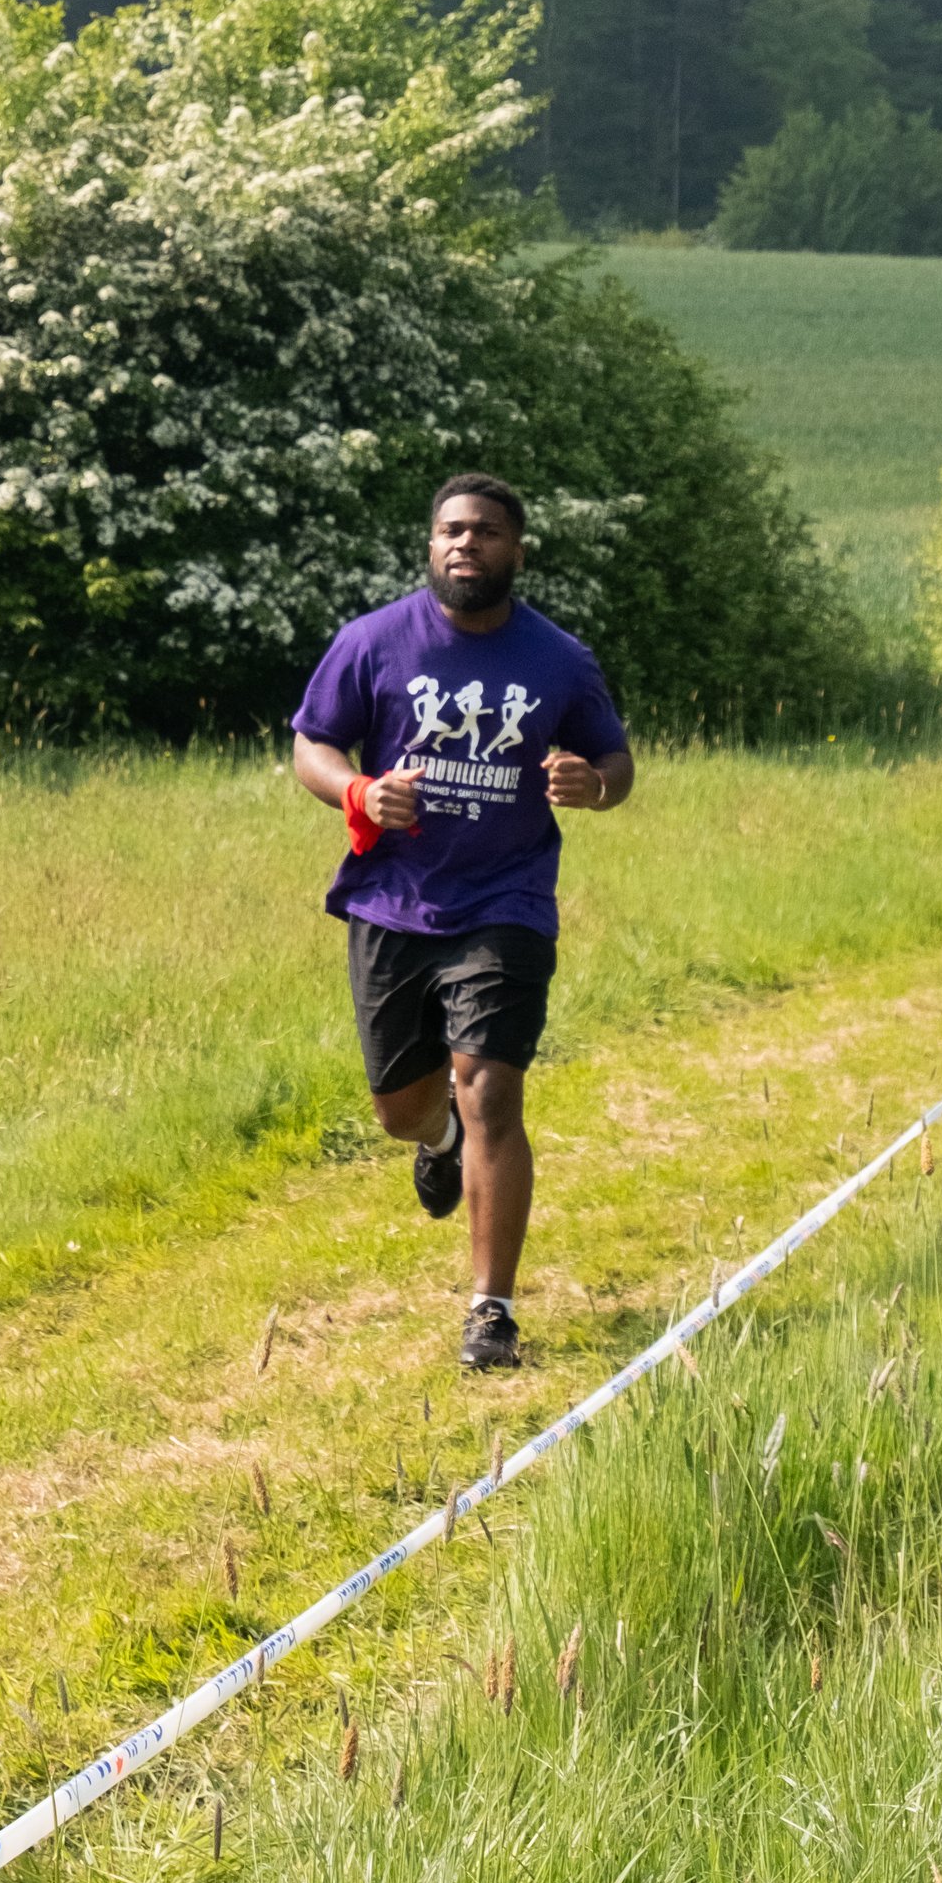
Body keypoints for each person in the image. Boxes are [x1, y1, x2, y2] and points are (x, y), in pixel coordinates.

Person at [290, 474, 633, 1374]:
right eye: (449, 531)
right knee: (401, 1107)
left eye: (483, 532)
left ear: (517, 550)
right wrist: (359, 790)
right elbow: (311, 747)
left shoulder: (559, 660)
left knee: (490, 1090)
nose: (464, 545)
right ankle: (436, 1141)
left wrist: (593, 786)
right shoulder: (372, 642)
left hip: (507, 900)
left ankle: (492, 1310)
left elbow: (616, 759)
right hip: (393, 900)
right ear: (429, 544)